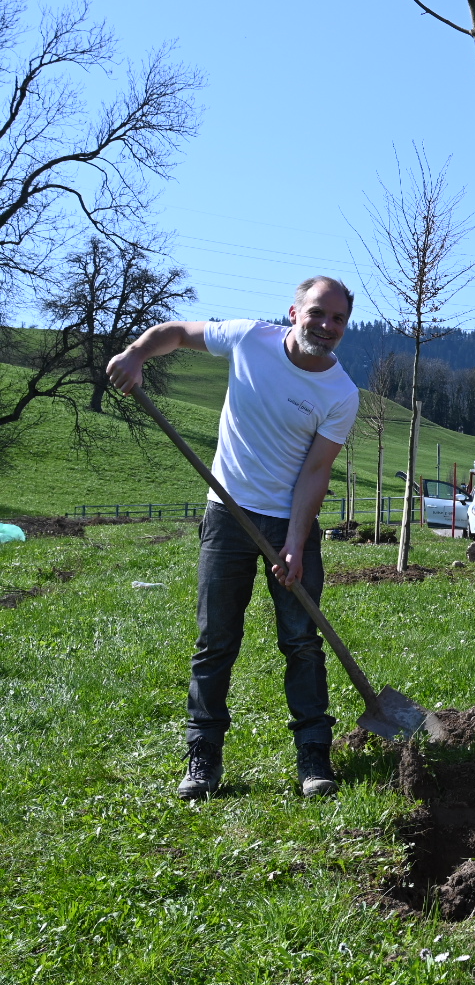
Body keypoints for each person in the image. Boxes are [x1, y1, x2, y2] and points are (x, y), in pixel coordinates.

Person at [105, 277, 361, 800]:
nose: (327, 327)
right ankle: (203, 757)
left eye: (338, 319)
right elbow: (174, 332)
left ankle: (314, 757)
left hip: (289, 521)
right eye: (318, 313)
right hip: (227, 514)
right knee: (215, 639)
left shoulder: (341, 394)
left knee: (302, 642)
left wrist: (295, 539)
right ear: (294, 311)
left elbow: (316, 472)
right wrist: (135, 354)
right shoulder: (248, 339)